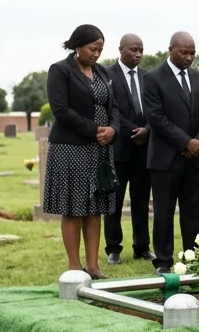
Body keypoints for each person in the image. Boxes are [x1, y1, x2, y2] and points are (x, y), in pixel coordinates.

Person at [44, 24, 120, 279]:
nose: (97, 54)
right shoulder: (60, 71)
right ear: (78, 46)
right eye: (93, 49)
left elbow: (115, 108)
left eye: (100, 49)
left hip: (99, 149)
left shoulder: (102, 73)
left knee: (94, 207)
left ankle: (94, 266)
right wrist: (94, 130)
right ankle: (75, 266)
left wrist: (112, 130)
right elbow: (61, 110)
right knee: (73, 207)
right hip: (70, 148)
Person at [144, 31, 199, 273]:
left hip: (195, 158)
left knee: (193, 211)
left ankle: (192, 257)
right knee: (163, 212)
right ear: (170, 49)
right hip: (165, 158)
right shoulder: (153, 78)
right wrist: (186, 142)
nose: (189, 57)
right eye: (184, 52)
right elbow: (156, 117)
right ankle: (163, 260)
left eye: (192, 53)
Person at [103, 33, 155, 266]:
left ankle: (141, 247)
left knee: (141, 200)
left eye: (141, 50)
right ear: (121, 49)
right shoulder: (107, 75)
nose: (138, 54)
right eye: (133, 49)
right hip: (119, 148)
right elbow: (110, 110)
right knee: (114, 201)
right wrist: (133, 129)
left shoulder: (148, 77)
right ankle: (113, 248)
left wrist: (147, 129)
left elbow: (156, 108)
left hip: (144, 150)